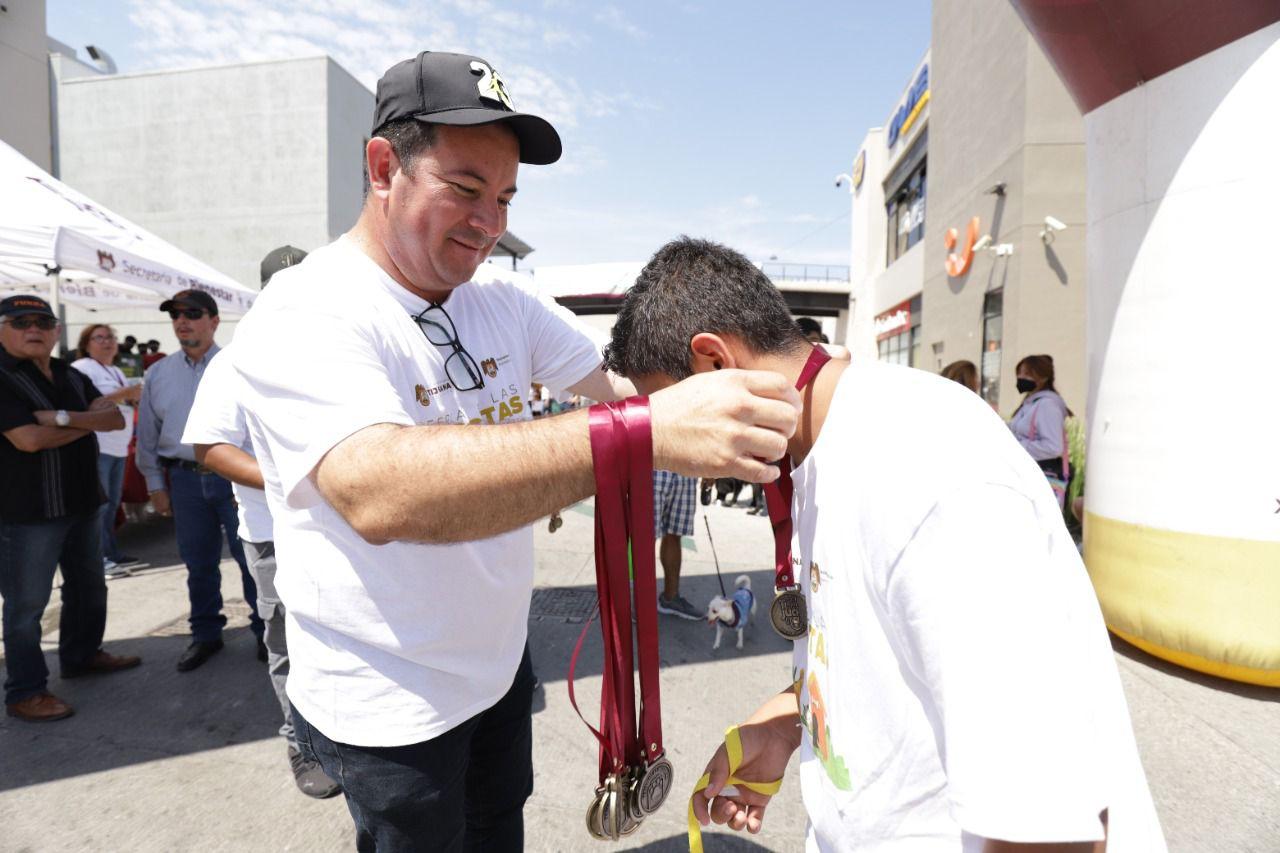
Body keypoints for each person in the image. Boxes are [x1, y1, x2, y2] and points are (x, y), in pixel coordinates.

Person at [224, 50, 799, 852]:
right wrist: (642, 433)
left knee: (498, 832)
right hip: (389, 701)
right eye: (465, 189)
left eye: (504, 197)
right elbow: (378, 491)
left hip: (495, 674)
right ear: (384, 166)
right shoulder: (308, 309)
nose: (489, 224)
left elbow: (629, 391)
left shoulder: (503, 303)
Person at [603, 237, 1165, 852]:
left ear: (712, 364)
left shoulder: (928, 468)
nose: (674, 460)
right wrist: (792, 720)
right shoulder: (821, 450)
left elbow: (1041, 820)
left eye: (668, 420)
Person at [183, 245, 341, 799]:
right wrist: (296, 481)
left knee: (345, 636)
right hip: (274, 535)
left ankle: (348, 738)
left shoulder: (342, 348)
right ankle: (301, 743)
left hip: (345, 529)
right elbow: (210, 447)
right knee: (286, 642)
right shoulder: (238, 359)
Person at [0, 295, 140, 723]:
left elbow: (114, 419)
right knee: (26, 606)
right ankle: (25, 691)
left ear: (56, 331)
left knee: (88, 588)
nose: (33, 328)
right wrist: (83, 422)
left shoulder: (66, 372)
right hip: (28, 512)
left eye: (42, 320)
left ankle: (81, 656)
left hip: (81, 501)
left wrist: (57, 419)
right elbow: (27, 440)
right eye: (20, 321)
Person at [136, 289, 264, 672]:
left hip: (234, 478)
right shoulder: (158, 373)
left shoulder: (239, 365)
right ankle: (205, 635)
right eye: (175, 315)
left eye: (192, 313)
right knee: (198, 563)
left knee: (251, 559)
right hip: (186, 481)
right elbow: (148, 434)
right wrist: (155, 485)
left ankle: (265, 633)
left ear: (214, 321)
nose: (182, 321)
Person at [71, 324, 142, 576]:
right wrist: (128, 393)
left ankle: (111, 553)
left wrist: (132, 397)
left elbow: (121, 398)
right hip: (98, 446)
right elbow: (92, 402)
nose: (107, 341)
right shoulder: (82, 368)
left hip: (118, 446)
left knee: (111, 505)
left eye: (110, 336)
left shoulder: (114, 370)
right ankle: (97, 560)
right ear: (86, 344)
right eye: (98, 337)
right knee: (98, 506)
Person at [1009, 354, 1072, 510]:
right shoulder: (1031, 403)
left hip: (1040, 479)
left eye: (1027, 374)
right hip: (1027, 476)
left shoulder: (1047, 406)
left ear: (1043, 378)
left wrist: (1016, 447)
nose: (1020, 377)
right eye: (1019, 373)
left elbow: (1053, 446)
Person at [653, 470, 702, 620]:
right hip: (651, 467)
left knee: (675, 533)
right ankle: (639, 602)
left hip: (686, 468)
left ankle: (670, 598)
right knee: (643, 537)